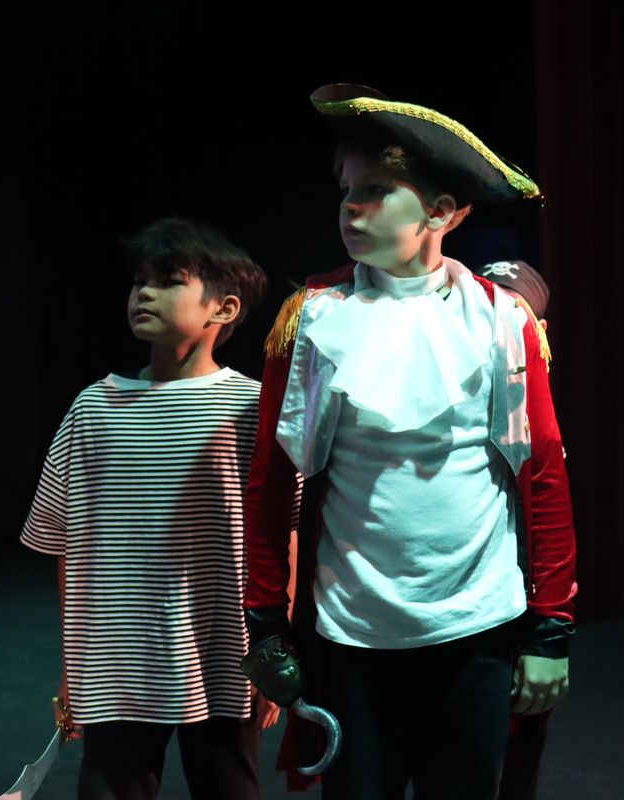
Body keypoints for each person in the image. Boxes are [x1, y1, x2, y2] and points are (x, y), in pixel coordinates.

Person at [240, 84, 578, 799]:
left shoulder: (501, 320)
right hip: (353, 634)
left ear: (442, 212)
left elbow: (543, 474)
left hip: (480, 625)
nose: (350, 208)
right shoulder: (313, 318)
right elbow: (272, 478)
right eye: (346, 191)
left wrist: (552, 625)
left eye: (375, 191)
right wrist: (264, 617)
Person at [20, 218, 275, 800]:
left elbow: (278, 535)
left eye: (168, 281)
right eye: (139, 281)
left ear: (224, 308)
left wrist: (273, 649)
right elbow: (66, 543)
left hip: (224, 654)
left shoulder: (251, 407)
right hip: (117, 663)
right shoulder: (94, 408)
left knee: (228, 785)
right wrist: (74, 665)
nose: (144, 294)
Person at [477, 258, 555, 800]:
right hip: (464, 615)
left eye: (511, 312)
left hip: (519, 612)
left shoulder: (539, 415)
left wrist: (545, 633)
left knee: (515, 766)